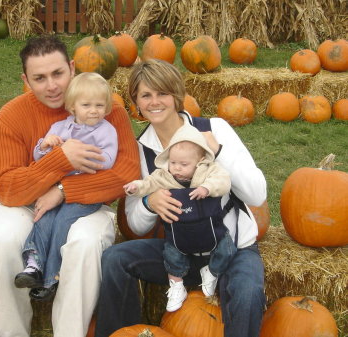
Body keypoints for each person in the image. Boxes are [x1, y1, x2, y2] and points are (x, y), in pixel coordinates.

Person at [0, 35, 140, 337]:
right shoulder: (10, 118)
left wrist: (63, 191)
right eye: (39, 78)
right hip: (26, 204)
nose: (51, 85)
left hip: (86, 202)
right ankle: (11, 333)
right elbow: (9, 189)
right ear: (26, 79)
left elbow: (125, 174)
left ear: (72, 68)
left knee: (86, 243)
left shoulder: (103, 107)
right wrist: (61, 159)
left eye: (57, 74)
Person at [95, 59, 267, 337]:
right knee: (116, 258)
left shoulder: (214, 128)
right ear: (135, 102)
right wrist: (151, 203)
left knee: (247, 295)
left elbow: (257, 195)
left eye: (162, 93)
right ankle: (121, 332)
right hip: (180, 252)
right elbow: (135, 225)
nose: (155, 102)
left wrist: (218, 151)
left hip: (231, 248)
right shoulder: (140, 150)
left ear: (176, 96)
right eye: (145, 95)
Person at [14, 72, 119, 300]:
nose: (94, 110)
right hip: (54, 192)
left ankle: (52, 278)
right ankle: (33, 264)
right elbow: (39, 156)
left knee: (63, 222)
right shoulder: (59, 128)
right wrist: (47, 146)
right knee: (44, 216)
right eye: (87, 105)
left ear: (107, 107)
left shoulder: (106, 131)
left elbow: (109, 159)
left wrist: (79, 154)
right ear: (72, 107)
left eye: (100, 105)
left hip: (86, 194)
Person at [123, 123, 232, 311]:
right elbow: (149, 183)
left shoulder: (209, 170)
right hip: (178, 232)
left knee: (227, 249)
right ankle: (176, 285)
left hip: (210, 229)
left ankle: (211, 270)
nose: (177, 169)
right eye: (173, 163)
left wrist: (207, 188)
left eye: (183, 165)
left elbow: (223, 181)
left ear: (200, 161)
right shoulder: (165, 175)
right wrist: (136, 187)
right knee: (172, 255)